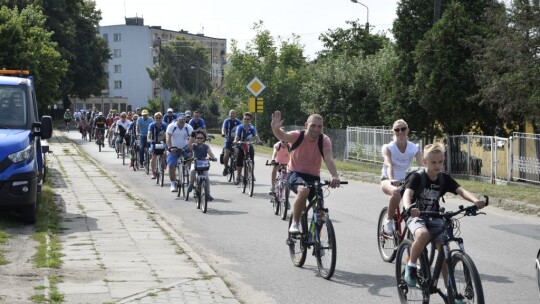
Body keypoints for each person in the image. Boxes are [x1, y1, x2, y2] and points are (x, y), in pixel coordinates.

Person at [401, 143, 485, 291]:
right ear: (425, 162)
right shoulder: (417, 177)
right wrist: (409, 208)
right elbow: (407, 195)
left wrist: (475, 201)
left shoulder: (443, 178)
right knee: (423, 234)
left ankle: (450, 291)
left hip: (434, 216)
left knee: (444, 250)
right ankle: (411, 266)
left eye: (440, 162)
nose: (438, 165)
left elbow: (461, 191)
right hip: (415, 215)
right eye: (433, 162)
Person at [271, 111, 340, 234]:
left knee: (320, 212)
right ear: (306, 125)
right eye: (313, 125)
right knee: (303, 190)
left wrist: (334, 175)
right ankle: (295, 223)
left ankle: (316, 241)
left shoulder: (324, 140)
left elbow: (329, 158)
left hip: (313, 177)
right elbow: (283, 136)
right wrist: (275, 128)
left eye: (319, 126)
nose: (316, 129)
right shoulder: (298, 136)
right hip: (295, 174)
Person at [380, 119, 423, 235]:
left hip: (406, 180)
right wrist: (392, 179)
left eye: (403, 129)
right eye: (397, 130)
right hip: (388, 179)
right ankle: (388, 220)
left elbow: (422, 164)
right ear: (393, 132)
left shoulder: (413, 147)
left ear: (407, 131)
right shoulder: (388, 147)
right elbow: (389, 164)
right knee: (396, 192)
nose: (400, 132)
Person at [166, 114, 194, 192]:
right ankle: (173, 183)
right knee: (171, 165)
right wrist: (170, 147)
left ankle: (187, 171)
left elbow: (192, 138)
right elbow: (168, 137)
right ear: (177, 120)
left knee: (190, 157)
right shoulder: (172, 126)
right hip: (173, 148)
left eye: (183, 121)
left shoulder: (188, 127)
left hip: (184, 148)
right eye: (180, 121)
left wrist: (188, 147)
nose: (182, 123)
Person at [188, 130, 218, 200]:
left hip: (204, 164)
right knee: (192, 171)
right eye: (198, 138)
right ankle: (191, 184)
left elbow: (210, 153)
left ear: (204, 139)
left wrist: (213, 158)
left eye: (201, 138)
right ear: (195, 139)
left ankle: (207, 194)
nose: (199, 139)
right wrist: (191, 137)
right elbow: (189, 146)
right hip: (195, 163)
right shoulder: (194, 145)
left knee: (207, 179)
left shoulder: (206, 146)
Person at [233, 112, 261, 185]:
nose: (246, 120)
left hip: (249, 146)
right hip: (241, 146)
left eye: (247, 119)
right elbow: (237, 136)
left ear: (250, 120)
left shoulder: (252, 128)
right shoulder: (240, 127)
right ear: (243, 119)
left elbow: (256, 135)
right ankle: (238, 175)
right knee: (239, 160)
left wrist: (258, 140)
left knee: (251, 160)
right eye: (245, 119)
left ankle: (251, 173)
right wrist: (236, 141)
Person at [147, 112, 168, 180]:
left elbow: (167, 134)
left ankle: (164, 162)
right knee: (153, 157)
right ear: (154, 118)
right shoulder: (152, 125)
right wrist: (149, 139)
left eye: (160, 117)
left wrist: (167, 140)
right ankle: (153, 172)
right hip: (154, 142)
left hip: (162, 142)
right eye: (156, 117)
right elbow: (149, 133)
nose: (158, 119)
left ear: (162, 118)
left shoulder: (164, 125)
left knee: (165, 153)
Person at [221, 109, 242, 176]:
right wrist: (223, 133)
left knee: (238, 152)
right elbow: (223, 128)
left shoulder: (238, 121)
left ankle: (236, 163)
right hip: (228, 139)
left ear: (236, 114)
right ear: (229, 114)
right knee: (226, 153)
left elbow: (241, 128)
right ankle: (226, 167)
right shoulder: (227, 121)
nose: (232, 114)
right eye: (231, 113)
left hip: (236, 139)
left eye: (234, 113)